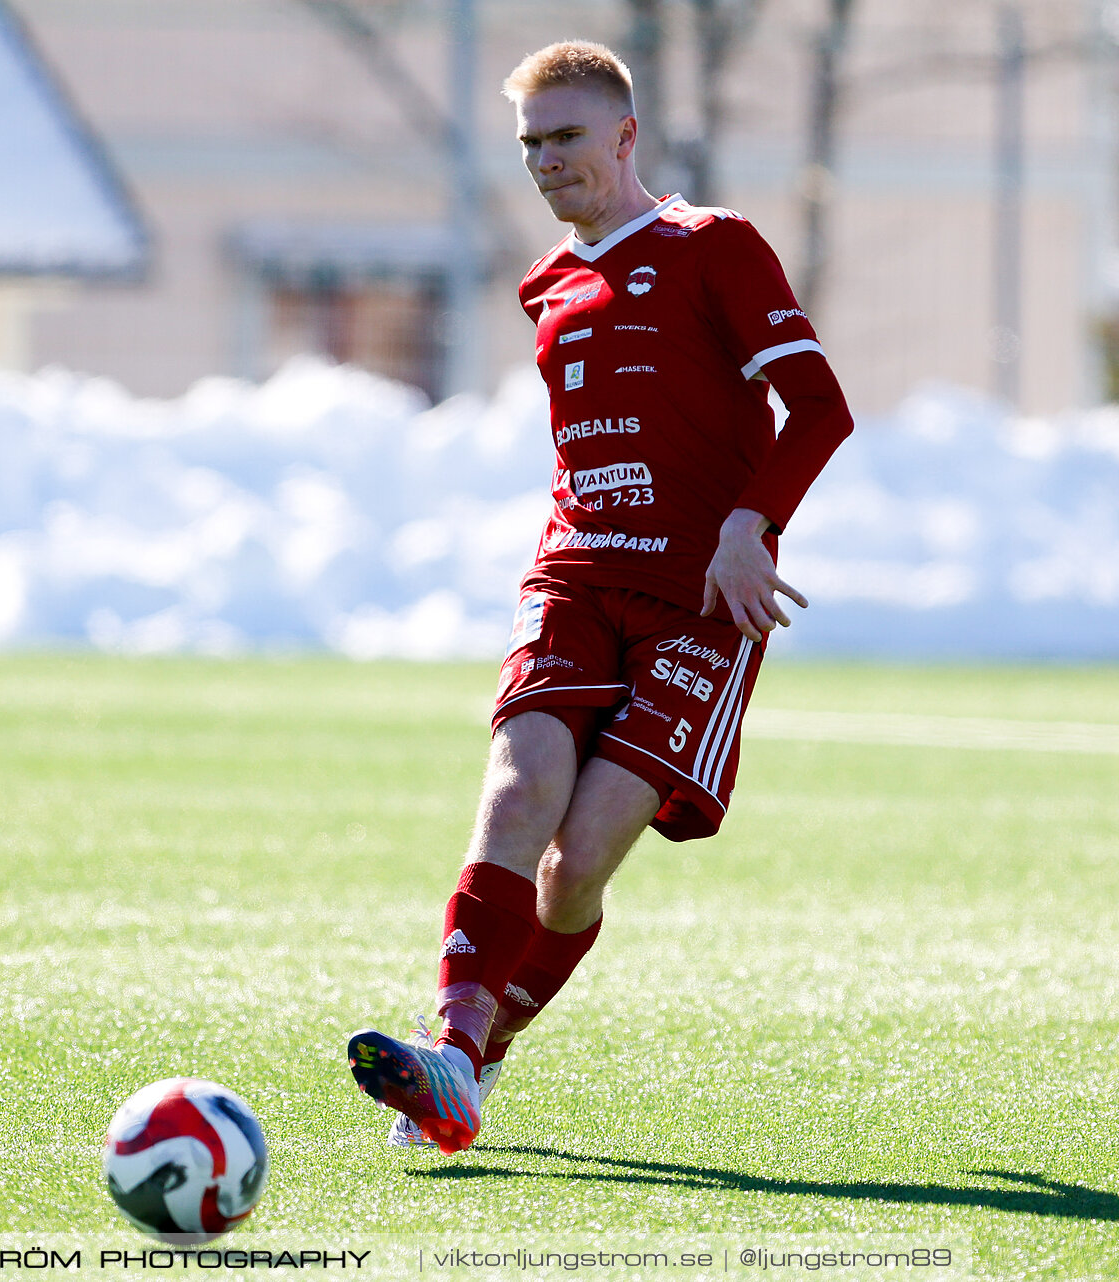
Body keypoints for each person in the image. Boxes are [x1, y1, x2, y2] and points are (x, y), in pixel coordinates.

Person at [346, 40, 854, 1153]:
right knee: (517, 789)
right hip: (575, 571)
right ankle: (452, 1041)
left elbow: (818, 408)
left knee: (576, 868)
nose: (545, 160)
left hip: (699, 602)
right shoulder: (547, 284)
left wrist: (746, 526)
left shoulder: (712, 245)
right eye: (530, 143)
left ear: (625, 136)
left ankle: (472, 1065)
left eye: (566, 136)